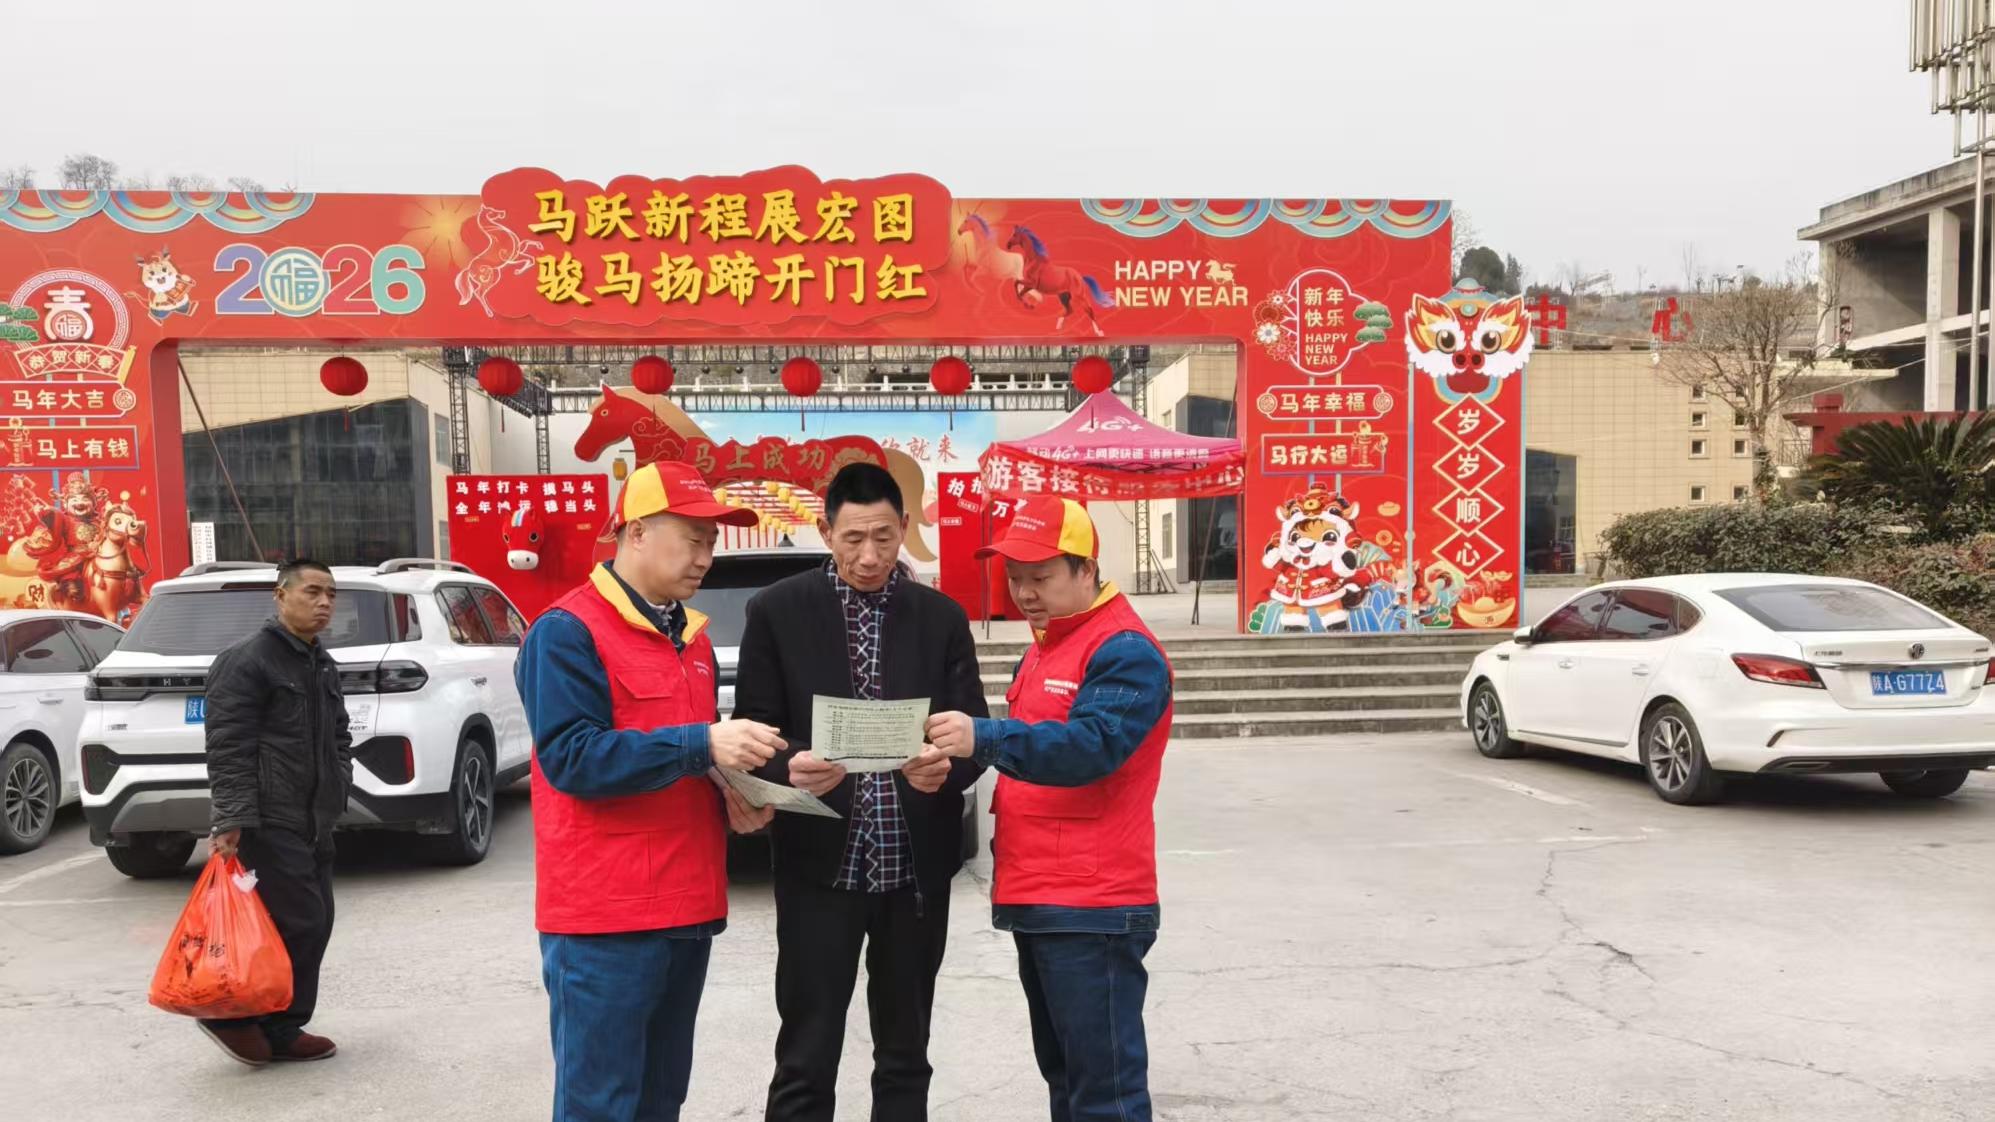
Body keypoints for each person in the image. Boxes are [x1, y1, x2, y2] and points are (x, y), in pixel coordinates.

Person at [516, 460, 784, 1122]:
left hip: (686, 903)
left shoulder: (691, 639)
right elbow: (572, 759)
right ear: (635, 532)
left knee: (661, 1099)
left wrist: (737, 792)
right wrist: (703, 745)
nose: (705, 558)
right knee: (600, 1105)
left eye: (711, 542)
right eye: (692, 539)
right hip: (606, 919)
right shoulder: (567, 631)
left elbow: (686, 757)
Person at [732, 461, 989, 1122]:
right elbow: (754, 726)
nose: (870, 556)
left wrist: (946, 769)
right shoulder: (777, 611)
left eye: (883, 537)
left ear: (904, 527)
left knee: (905, 1054)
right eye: (852, 539)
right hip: (819, 869)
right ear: (826, 532)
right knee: (806, 1054)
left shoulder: (940, 617)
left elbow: (972, 731)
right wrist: (789, 764)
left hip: (913, 873)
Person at [925, 497, 1173, 1122]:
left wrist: (985, 737)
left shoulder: (1122, 650)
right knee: (1065, 1076)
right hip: (1043, 892)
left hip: (1093, 902)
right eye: (1015, 578)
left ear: (1086, 569)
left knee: (1104, 1093)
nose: (1025, 593)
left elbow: (1093, 746)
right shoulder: (1048, 645)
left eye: (1041, 577)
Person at [201, 558, 351, 1066]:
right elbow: (228, 746)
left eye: (331, 594)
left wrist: (340, 781)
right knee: (299, 920)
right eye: (312, 591)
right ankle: (234, 1017)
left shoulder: (320, 661)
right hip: (269, 817)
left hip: (315, 817)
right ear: (281, 595)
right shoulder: (248, 661)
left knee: (317, 920)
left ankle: (281, 1025)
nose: (324, 602)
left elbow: (339, 734)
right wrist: (231, 818)